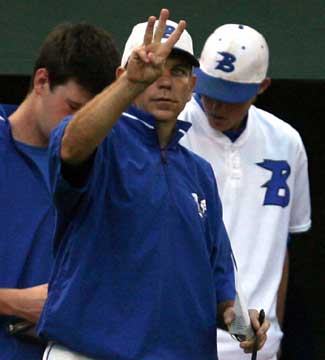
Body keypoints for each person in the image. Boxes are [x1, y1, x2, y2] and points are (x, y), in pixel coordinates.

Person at [37, 9, 269, 360]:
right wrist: (131, 83)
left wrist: (243, 328)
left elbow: (220, 287)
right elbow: (70, 148)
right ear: (122, 74)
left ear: (192, 85)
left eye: (177, 71)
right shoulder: (102, 142)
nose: (163, 80)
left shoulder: (199, 173)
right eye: (150, 67)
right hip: (89, 352)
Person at [179, 23, 311, 360]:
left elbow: (280, 244)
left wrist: (275, 330)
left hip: (256, 346)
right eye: (209, 91)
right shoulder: (172, 130)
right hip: (183, 341)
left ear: (261, 87)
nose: (216, 106)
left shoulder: (286, 142)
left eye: (229, 97)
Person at [0, 23, 120, 359]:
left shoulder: (107, 162)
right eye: (74, 108)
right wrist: (16, 302)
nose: (81, 126)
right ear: (42, 82)